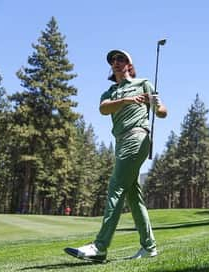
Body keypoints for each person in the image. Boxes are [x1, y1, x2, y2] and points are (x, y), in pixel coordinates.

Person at [64, 49, 167, 262]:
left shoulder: (143, 83)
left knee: (115, 187)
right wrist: (128, 100)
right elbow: (103, 109)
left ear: (129, 64)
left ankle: (100, 247)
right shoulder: (110, 92)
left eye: (121, 59)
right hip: (120, 142)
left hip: (137, 136)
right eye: (113, 60)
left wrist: (156, 104)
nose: (116, 62)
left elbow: (163, 112)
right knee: (132, 195)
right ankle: (149, 246)